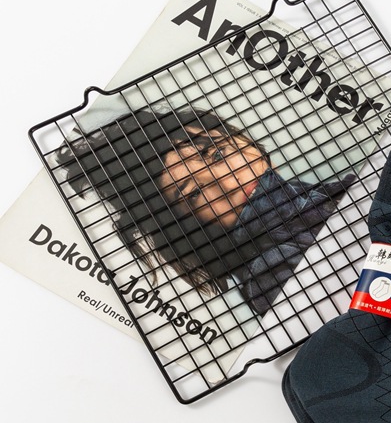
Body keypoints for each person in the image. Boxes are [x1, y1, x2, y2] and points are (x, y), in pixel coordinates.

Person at [56, 105, 356, 315]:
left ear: (240, 138)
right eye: (195, 193)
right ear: (189, 225)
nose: (230, 182)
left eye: (216, 154)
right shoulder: (272, 273)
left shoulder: (329, 196)